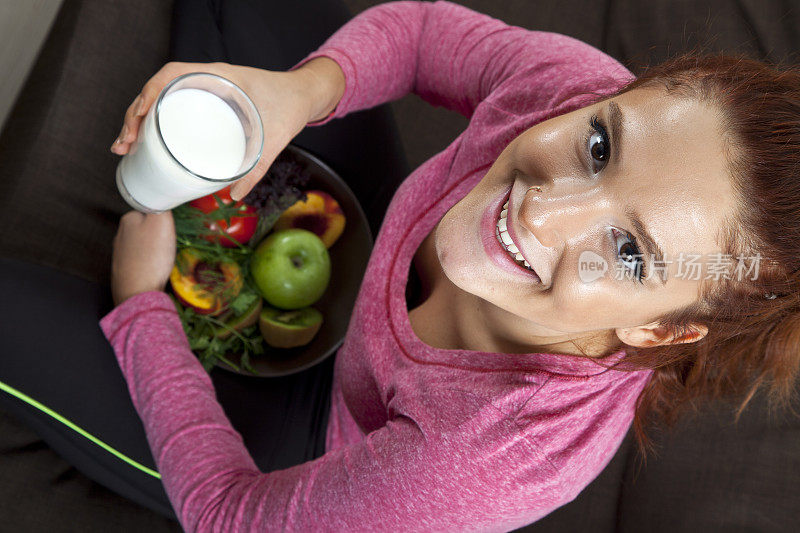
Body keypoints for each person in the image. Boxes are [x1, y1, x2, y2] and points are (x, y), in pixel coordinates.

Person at [10, 0, 800, 530]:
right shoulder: (577, 89)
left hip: (318, 439)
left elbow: (231, 514)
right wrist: (295, 94)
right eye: (599, 146)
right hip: (356, 239)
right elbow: (421, 37)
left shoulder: (480, 460)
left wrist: (144, 308)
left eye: (629, 252)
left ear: (661, 325)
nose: (542, 211)